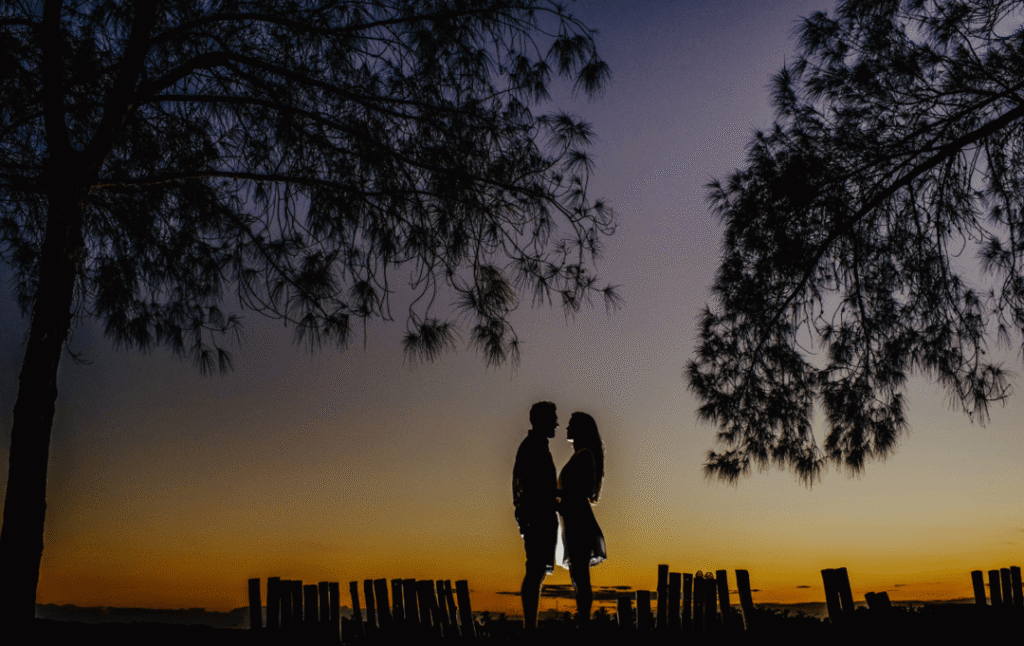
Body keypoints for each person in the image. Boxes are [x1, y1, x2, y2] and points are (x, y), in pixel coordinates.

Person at [512, 401, 559, 632]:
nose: (557, 424)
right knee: (534, 571)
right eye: (553, 418)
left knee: (537, 571)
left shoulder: (539, 446)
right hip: (537, 518)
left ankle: (530, 626)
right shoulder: (531, 447)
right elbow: (524, 486)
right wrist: (528, 518)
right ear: (542, 420)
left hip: (541, 517)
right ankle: (529, 628)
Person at [557, 412, 606, 626]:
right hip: (571, 518)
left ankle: (584, 625)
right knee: (578, 576)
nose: (566, 428)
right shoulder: (580, 455)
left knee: (580, 577)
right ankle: (583, 623)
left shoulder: (585, 455)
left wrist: (551, 497)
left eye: (571, 425)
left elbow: (577, 491)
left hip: (578, 519)